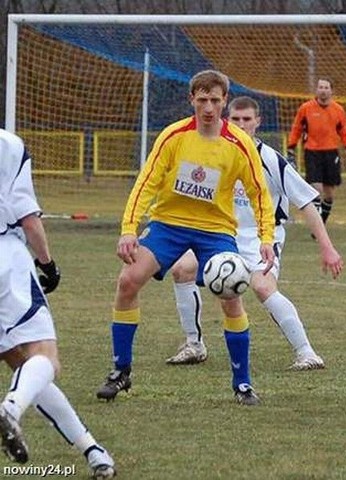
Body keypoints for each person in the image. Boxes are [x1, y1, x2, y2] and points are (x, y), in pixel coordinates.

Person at [95, 70, 275, 406]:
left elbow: (259, 194)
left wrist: (266, 237)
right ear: (191, 99)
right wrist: (129, 229)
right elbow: (146, 182)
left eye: (215, 100)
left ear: (224, 101)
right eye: (202, 99)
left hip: (216, 230)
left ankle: (243, 384)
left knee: (230, 294)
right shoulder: (173, 136)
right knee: (128, 281)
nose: (209, 107)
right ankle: (121, 371)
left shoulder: (239, 143)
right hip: (168, 224)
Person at [165, 96, 344, 370]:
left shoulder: (270, 158)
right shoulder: (218, 152)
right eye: (235, 119)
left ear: (257, 122)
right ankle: (194, 344)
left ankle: (307, 352)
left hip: (262, 236)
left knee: (262, 286)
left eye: (247, 119)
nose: (241, 124)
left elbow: (306, 202)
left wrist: (327, 248)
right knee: (182, 268)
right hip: (220, 232)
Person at [0, 129, 116, 478]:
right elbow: (28, 219)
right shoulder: (8, 145)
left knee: (23, 365)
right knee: (43, 357)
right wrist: (47, 263)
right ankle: (10, 409)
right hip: (6, 261)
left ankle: (92, 450)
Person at [287, 77, 346, 227]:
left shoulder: (338, 110)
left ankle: (322, 222)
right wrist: (291, 149)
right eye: (320, 87)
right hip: (312, 152)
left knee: (329, 194)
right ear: (316, 90)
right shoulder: (306, 108)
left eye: (326, 87)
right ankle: (317, 225)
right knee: (316, 189)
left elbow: (344, 132)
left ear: (331, 91)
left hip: (331, 153)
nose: (323, 90)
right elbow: (296, 129)